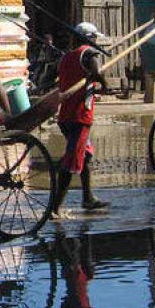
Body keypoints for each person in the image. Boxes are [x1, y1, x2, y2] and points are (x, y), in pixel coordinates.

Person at [52, 21, 109, 215]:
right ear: (88, 38)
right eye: (93, 37)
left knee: (86, 155)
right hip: (79, 117)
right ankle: (55, 208)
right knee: (70, 164)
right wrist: (104, 83)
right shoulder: (88, 54)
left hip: (66, 117)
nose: (94, 41)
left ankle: (88, 198)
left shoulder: (66, 57)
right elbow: (96, 72)